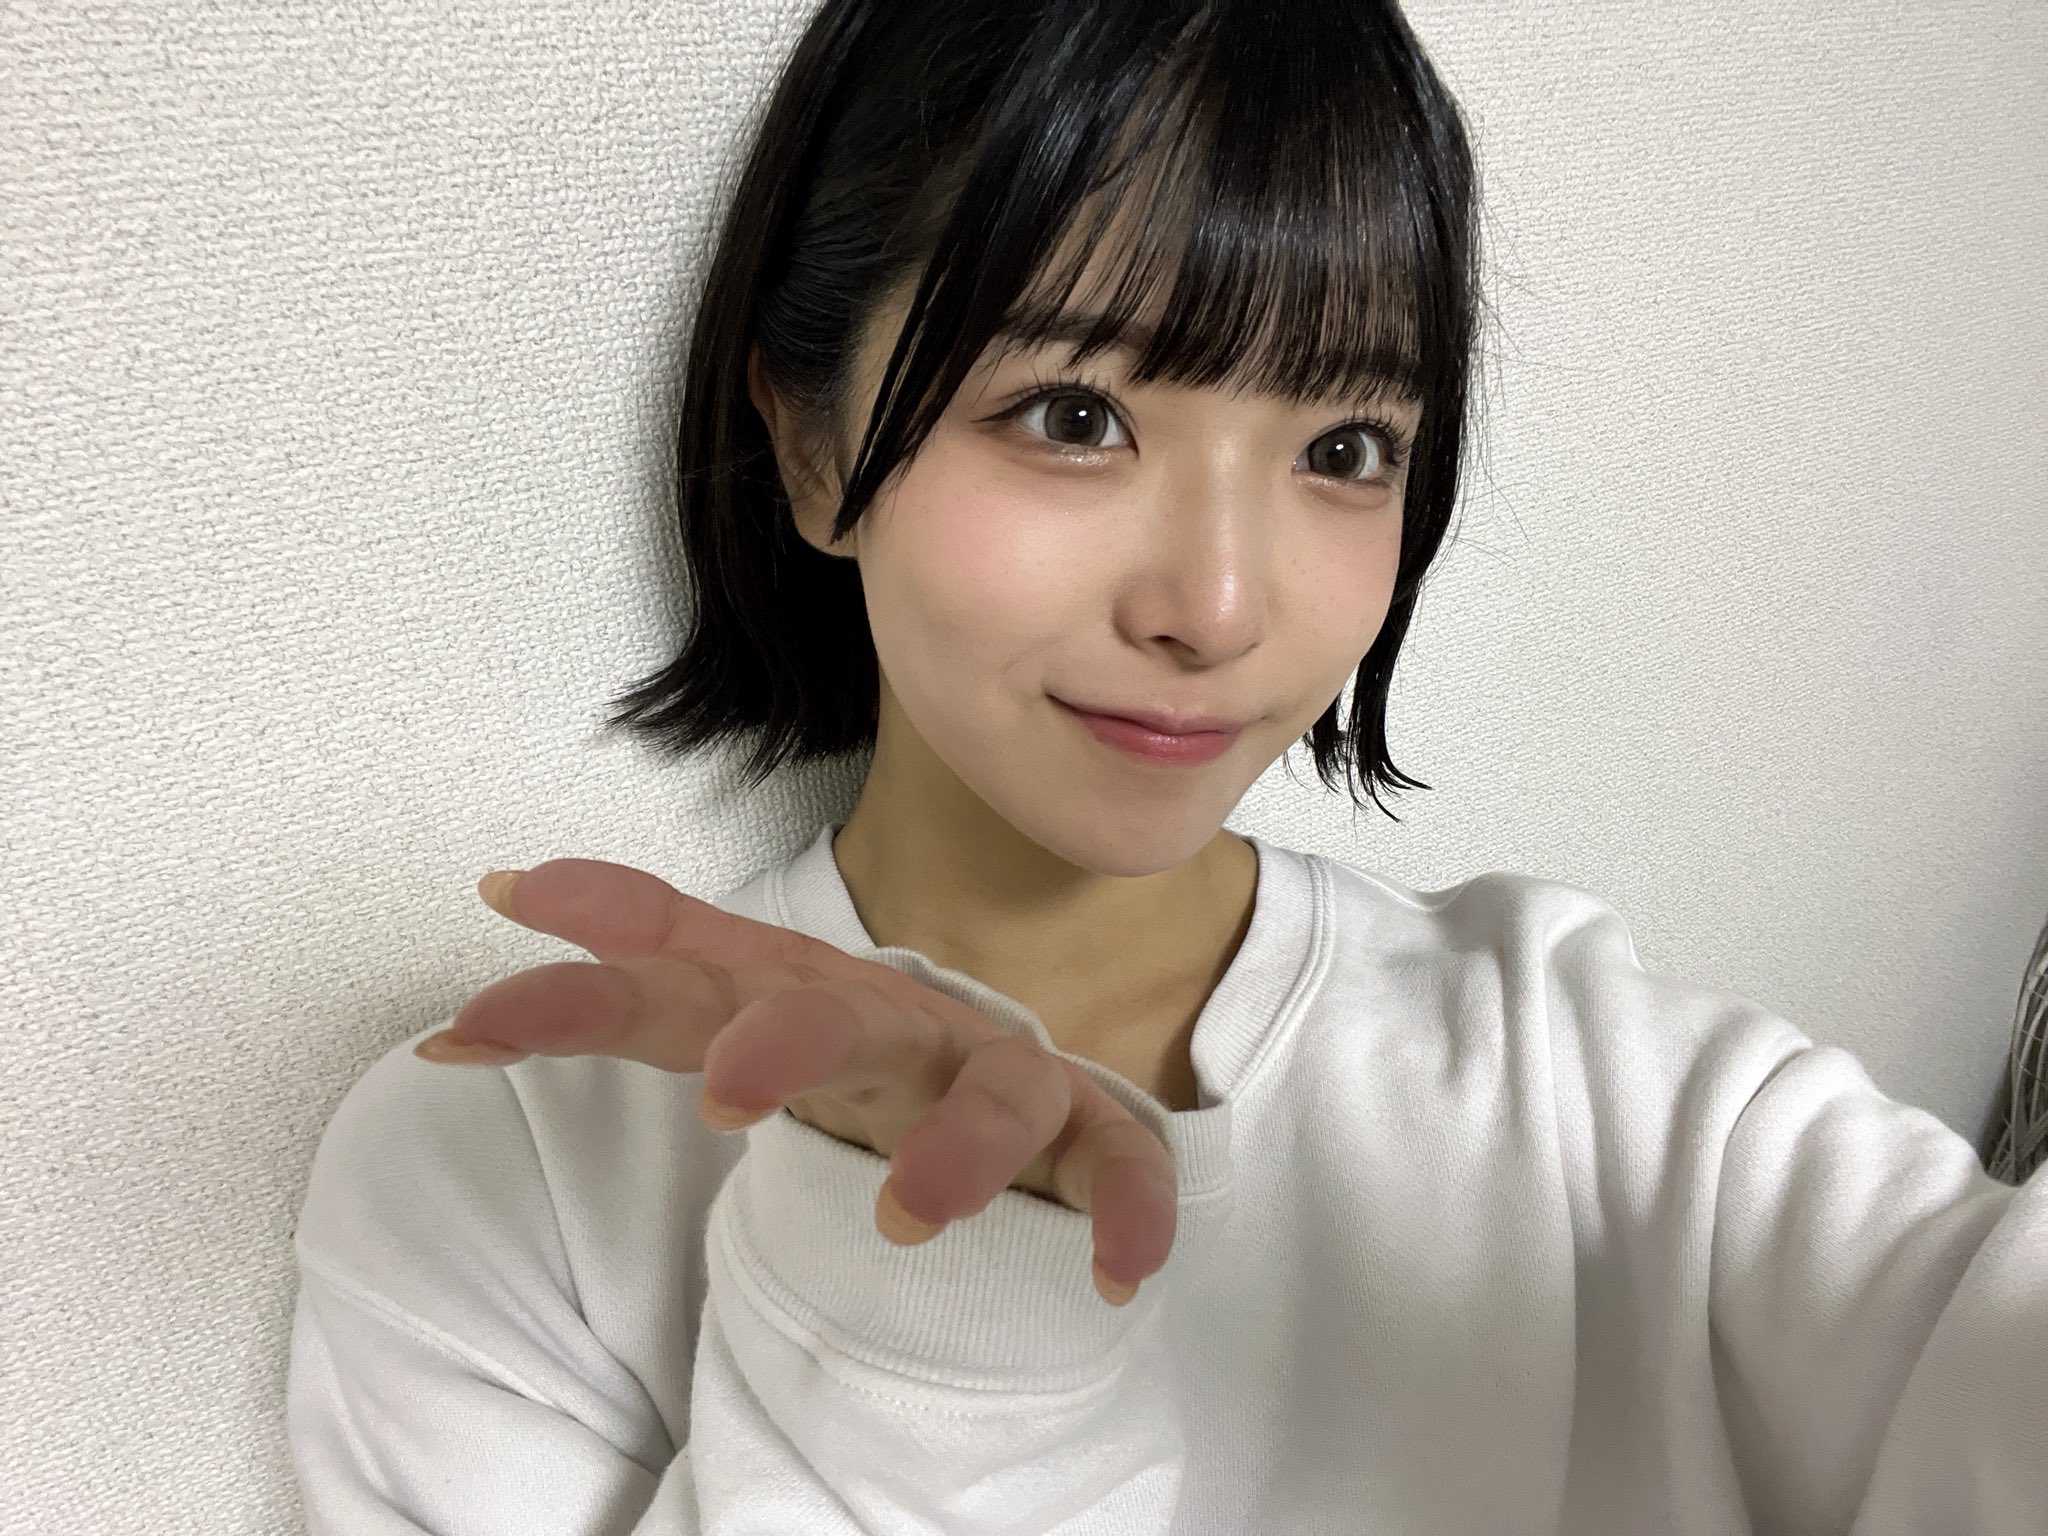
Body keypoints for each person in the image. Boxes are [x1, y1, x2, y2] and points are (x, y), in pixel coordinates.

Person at [284, 1, 2048, 1531]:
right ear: (813, 447)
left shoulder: (1604, 1086)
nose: (1217, 608)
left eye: (1344, 447)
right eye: (1075, 416)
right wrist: (931, 1330)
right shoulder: (506, 1175)